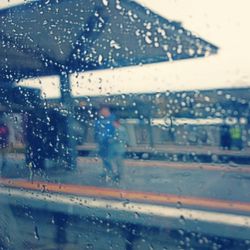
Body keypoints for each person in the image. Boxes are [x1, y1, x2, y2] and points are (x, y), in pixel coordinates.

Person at [94, 106, 116, 181]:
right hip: (102, 142)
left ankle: (112, 172)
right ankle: (107, 171)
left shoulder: (112, 119)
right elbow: (96, 129)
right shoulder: (100, 120)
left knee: (109, 158)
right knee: (104, 158)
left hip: (110, 143)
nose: (102, 112)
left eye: (103, 111)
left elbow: (113, 130)